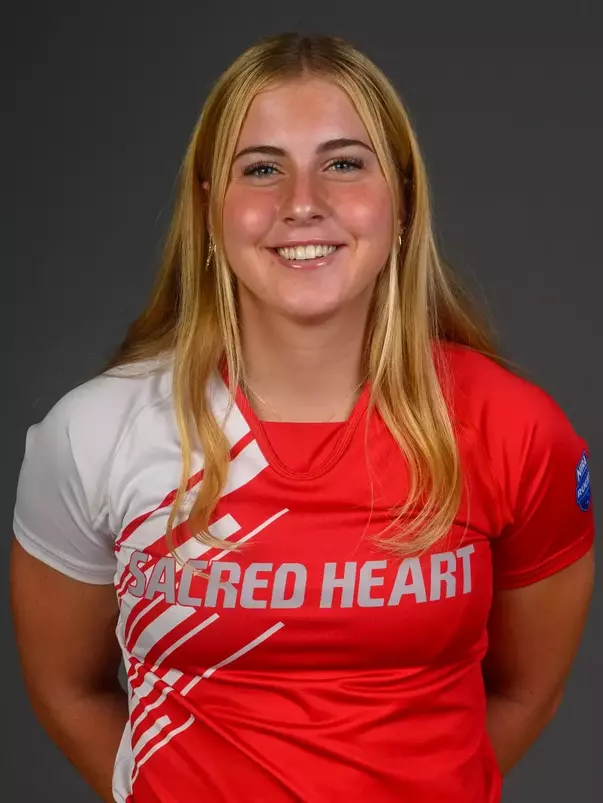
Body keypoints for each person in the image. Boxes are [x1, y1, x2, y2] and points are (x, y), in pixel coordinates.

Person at [10, 31, 595, 803]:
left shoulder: (517, 430)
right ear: (209, 207)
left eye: (343, 163)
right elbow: (66, 689)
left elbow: (527, 693)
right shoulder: (92, 433)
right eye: (261, 169)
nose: (302, 204)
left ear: (403, 201)